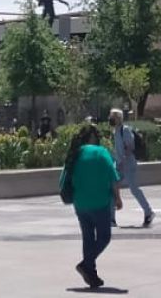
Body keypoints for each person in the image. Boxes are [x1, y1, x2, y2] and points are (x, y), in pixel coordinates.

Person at [63, 123, 123, 289]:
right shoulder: (101, 152)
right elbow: (113, 177)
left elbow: (64, 178)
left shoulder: (75, 154)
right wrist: (118, 199)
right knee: (104, 237)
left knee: (88, 238)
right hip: (100, 202)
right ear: (94, 137)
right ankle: (86, 264)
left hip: (80, 203)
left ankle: (91, 274)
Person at [109, 108, 154, 228]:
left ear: (118, 118)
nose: (110, 119)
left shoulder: (125, 130)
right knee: (112, 186)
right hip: (119, 164)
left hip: (128, 164)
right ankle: (111, 218)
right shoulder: (116, 131)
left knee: (134, 189)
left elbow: (130, 147)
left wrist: (122, 160)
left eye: (112, 116)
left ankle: (148, 212)